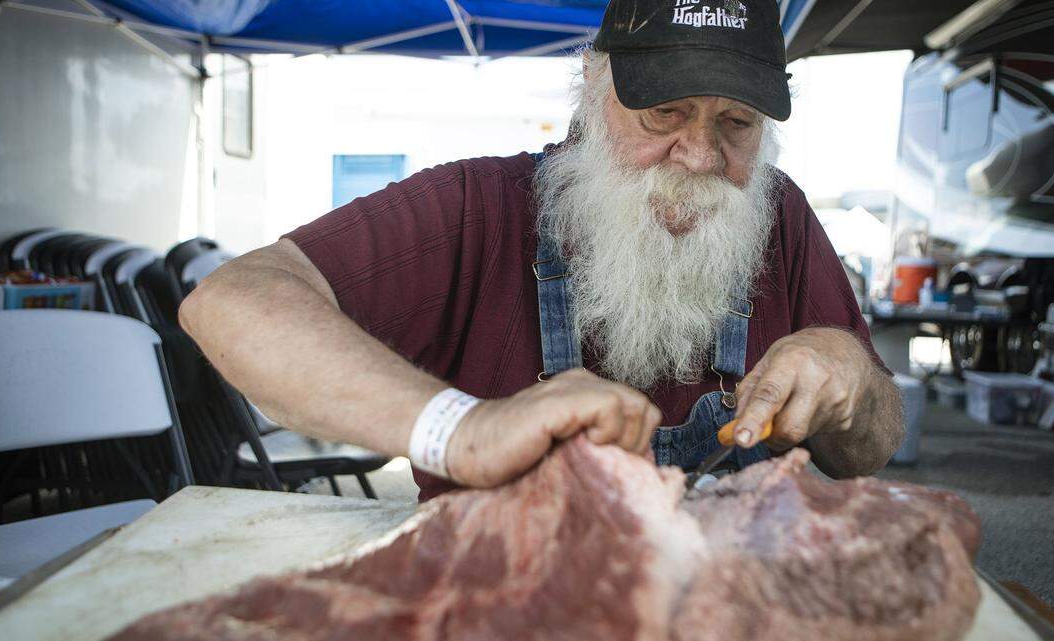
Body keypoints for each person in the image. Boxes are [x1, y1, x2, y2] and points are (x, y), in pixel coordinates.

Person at [179, 0, 904, 501]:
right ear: (594, 87)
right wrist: (458, 426)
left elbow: (872, 446)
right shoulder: (478, 209)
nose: (698, 156)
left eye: (737, 123)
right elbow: (231, 302)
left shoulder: (783, 220)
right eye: (665, 112)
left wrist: (853, 383)